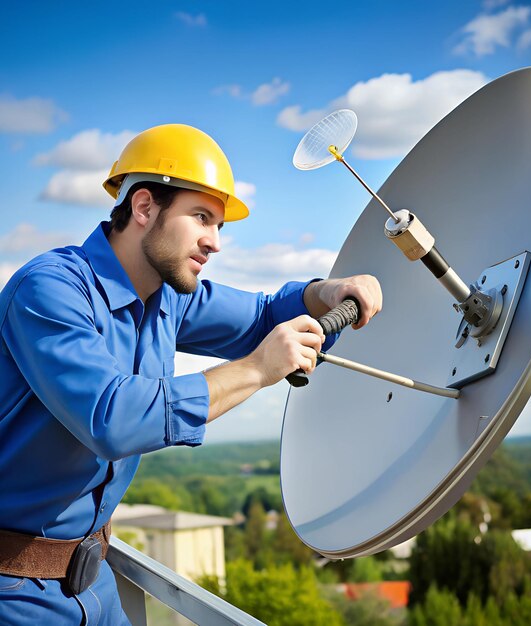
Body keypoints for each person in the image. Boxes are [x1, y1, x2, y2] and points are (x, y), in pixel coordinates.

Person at [0, 123, 382, 624]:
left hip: (96, 586)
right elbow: (112, 418)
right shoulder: (49, 291)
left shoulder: (168, 298)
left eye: (220, 225)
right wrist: (255, 370)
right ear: (143, 207)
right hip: (14, 597)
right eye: (202, 217)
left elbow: (266, 315)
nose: (215, 242)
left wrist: (325, 293)